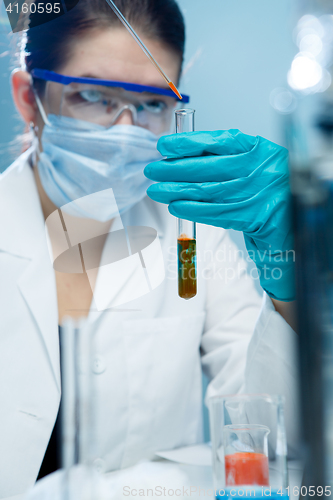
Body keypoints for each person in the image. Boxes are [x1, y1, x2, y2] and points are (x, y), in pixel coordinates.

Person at [0, 0, 298, 497]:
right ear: (30, 99)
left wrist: (292, 282)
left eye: (152, 103)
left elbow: (267, 432)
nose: (124, 131)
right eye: (92, 95)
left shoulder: (191, 235)